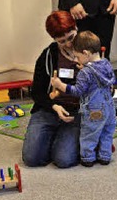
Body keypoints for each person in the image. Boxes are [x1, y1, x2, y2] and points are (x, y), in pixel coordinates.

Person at [23, 11, 82, 168]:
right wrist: (54, 106)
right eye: (62, 41)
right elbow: (36, 92)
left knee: (63, 160)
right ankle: (58, 136)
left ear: (76, 28)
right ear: (54, 39)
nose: (69, 44)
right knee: (31, 159)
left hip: (76, 111)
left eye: (71, 37)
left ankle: (66, 138)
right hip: (50, 108)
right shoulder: (48, 55)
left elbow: (107, 87)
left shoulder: (90, 49)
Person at [51, 31, 116, 167]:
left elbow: (77, 91)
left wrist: (60, 85)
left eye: (78, 56)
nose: (76, 60)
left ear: (86, 53)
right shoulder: (106, 63)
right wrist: (86, 67)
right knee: (107, 131)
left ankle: (88, 158)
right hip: (109, 107)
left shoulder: (85, 73)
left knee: (89, 133)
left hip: (93, 108)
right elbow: (107, 80)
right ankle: (105, 156)